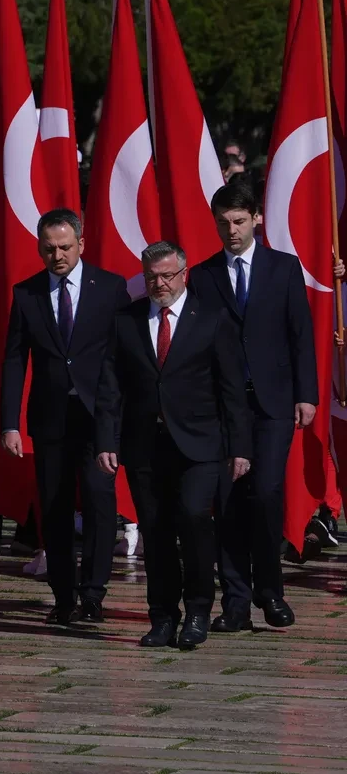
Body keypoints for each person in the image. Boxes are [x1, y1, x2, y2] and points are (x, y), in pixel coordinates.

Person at [95, 241, 251, 649]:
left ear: (184, 274)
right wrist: (106, 439)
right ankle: (163, 616)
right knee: (155, 529)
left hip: (200, 444)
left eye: (167, 276)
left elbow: (232, 389)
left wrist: (240, 446)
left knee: (194, 517)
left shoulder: (211, 318)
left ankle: (198, 610)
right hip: (145, 444)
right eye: (151, 277)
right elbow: (110, 388)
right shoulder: (126, 321)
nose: (159, 283)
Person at [188, 182, 316, 632]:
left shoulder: (283, 267)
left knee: (264, 493)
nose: (232, 230)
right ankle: (237, 603)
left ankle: (271, 591)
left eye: (239, 221)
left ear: (256, 218)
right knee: (228, 503)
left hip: (273, 400)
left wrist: (306, 393)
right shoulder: (202, 275)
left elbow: (300, 333)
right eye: (223, 222)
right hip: (223, 407)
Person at [0, 209, 130, 625]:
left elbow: (124, 356)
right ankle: (62, 595)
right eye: (49, 248)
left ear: (81, 244)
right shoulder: (28, 293)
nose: (57, 255)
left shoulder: (109, 288)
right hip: (51, 417)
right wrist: (9, 422)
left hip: (98, 417)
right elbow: (15, 360)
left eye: (64, 247)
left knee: (98, 501)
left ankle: (93, 593)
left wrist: (122, 419)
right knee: (55, 508)